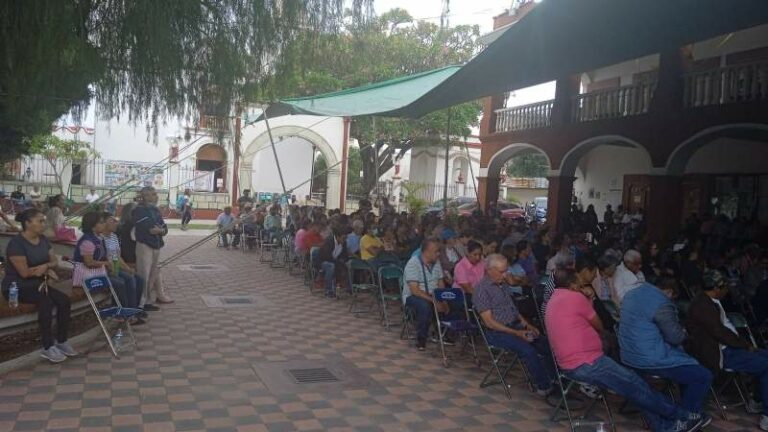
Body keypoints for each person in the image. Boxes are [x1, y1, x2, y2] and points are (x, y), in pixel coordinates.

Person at [545, 268, 704, 432]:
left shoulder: (553, 299)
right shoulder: (575, 297)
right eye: (578, 281)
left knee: (635, 386)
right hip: (588, 363)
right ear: (573, 284)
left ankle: (665, 425)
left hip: (572, 364)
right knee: (636, 386)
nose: (581, 284)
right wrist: (589, 299)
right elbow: (599, 324)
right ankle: (681, 416)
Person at [619, 279, 713, 422]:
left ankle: (684, 410)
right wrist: (684, 333)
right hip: (649, 358)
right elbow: (675, 337)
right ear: (669, 292)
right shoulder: (661, 303)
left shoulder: (631, 294)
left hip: (628, 355)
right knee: (702, 375)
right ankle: (689, 417)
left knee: (687, 366)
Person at [686, 269, 768, 431]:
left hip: (729, 347)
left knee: (765, 358)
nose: (727, 290)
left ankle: (757, 400)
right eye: (725, 287)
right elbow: (719, 333)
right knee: (765, 364)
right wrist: (746, 345)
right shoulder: (702, 306)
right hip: (721, 353)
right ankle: (766, 416)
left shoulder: (711, 301)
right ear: (717, 288)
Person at [1, 209, 77, 363]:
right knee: (46, 302)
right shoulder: (16, 244)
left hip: (38, 284)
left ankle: (62, 341)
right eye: (40, 221)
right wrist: (45, 270)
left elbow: (54, 261)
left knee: (64, 301)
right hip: (17, 287)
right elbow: (24, 273)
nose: (44, 224)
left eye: (44, 220)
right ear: (28, 223)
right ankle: (47, 347)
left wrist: (46, 267)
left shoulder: (43, 240)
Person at [475, 254, 554, 396]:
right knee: (528, 350)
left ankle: (554, 379)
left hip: (515, 326)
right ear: (490, 270)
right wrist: (517, 333)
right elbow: (489, 323)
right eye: (502, 271)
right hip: (497, 333)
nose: (506, 274)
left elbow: (513, 309)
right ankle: (544, 386)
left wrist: (527, 324)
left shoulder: (503, 284)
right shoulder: (482, 289)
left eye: (506, 270)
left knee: (545, 345)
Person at [403, 238, 450, 351]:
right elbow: (415, 290)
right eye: (436, 251)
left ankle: (443, 333)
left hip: (432, 294)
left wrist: (444, 300)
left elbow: (441, 284)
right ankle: (421, 339)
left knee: (454, 301)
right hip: (413, 296)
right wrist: (434, 301)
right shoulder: (413, 263)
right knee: (425, 306)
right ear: (426, 252)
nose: (439, 254)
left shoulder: (436, 263)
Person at [132, 186, 172, 310]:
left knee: (152, 275)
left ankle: (147, 302)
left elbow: (163, 228)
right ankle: (140, 304)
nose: (152, 197)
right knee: (144, 275)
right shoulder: (139, 210)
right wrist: (160, 230)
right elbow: (150, 227)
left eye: (154, 194)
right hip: (145, 245)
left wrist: (161, 230)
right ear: (143, 197)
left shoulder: (155, 210)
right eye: (148, 195)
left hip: (156, 245)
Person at [102, 212, 144, 314]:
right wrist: (122, 269)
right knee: (129, 278)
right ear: (103, 223)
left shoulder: (113, 236)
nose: (116, 223)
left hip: (115, 266)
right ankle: (129, 313)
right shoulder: (100, 238)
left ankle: (135, 309)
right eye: (112, 221)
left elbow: (117, 257)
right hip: (106, 269)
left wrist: (127, 268)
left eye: (116, 221)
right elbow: (105, 259)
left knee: (139, 279)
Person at [317, 225, 350, 298]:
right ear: (337, 237)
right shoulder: (329, 241)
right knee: (330, 266)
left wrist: (344, 261)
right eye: (343, 238)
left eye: (346, 238)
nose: (345, 240)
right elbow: (327, 257)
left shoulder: (344, 243)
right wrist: (339, 262)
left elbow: (345, 256)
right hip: (323, 261)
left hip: (335, 261)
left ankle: (349, 288)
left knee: (348, 264)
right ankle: (328, 290)